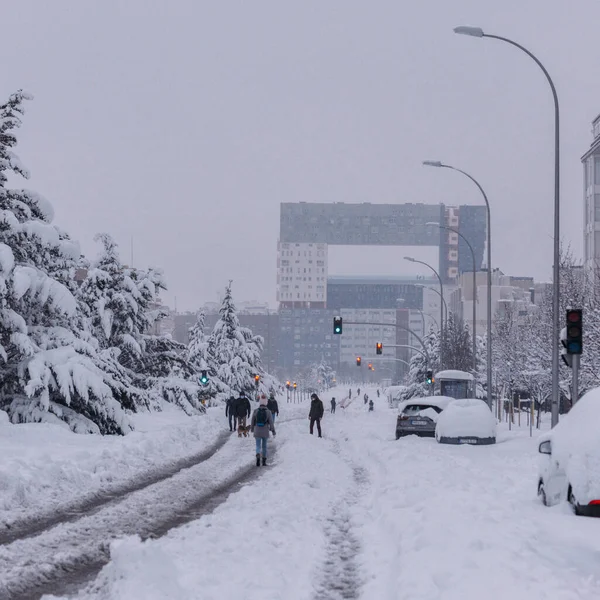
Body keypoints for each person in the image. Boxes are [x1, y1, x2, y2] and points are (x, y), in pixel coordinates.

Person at [251, 395, 275, 466]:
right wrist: (273, 431)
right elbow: (271, 423)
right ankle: (264, 461)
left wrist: (252, 429)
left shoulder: (256, 411)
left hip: (257, 431)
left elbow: (252, 421)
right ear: (266, 403)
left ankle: (258, 455)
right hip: (265, 431)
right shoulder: (268, 412)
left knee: (258, 446)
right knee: (264, 446)